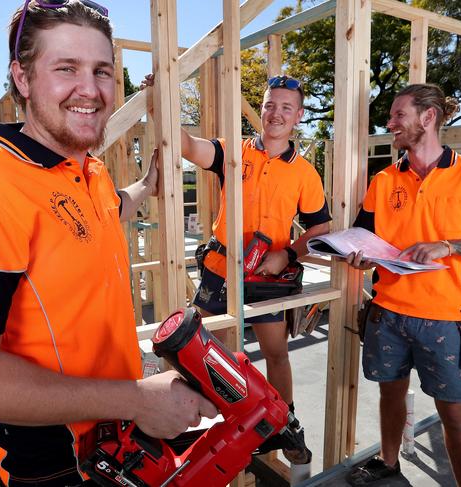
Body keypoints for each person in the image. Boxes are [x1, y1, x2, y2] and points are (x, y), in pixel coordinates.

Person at [0, 2, 216, 486]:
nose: (90, 89)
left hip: (116, 441)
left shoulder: (87, 171)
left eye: (102, 71)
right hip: (51, 464)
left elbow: (106, 210)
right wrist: (139, 398)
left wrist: (146, 185)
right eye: (66, 68)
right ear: (22, 76)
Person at [345, 84, 461, 486]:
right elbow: (362, 236)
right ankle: (389, 461)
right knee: (390, 394)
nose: (390, 124)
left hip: (444, 319)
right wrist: (356, 255)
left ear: (428, 118)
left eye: (398, 116)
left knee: (455, 413)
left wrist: (448, 246)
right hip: (387, 312)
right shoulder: (384, 179)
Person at [142, 73, 331, 443]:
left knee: (276, 354)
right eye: (270, 105)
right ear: (261, 109)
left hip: (267, 276)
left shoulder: (305, 174)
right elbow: (184, 144)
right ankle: (189, 423)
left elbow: (320, 229)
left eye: (286, 108)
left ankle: (282, 426)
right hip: (220, 270)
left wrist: (287, 253)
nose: (276, 113)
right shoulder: (234, 152)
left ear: (299, 116)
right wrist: (156, 100)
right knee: (193, 349)